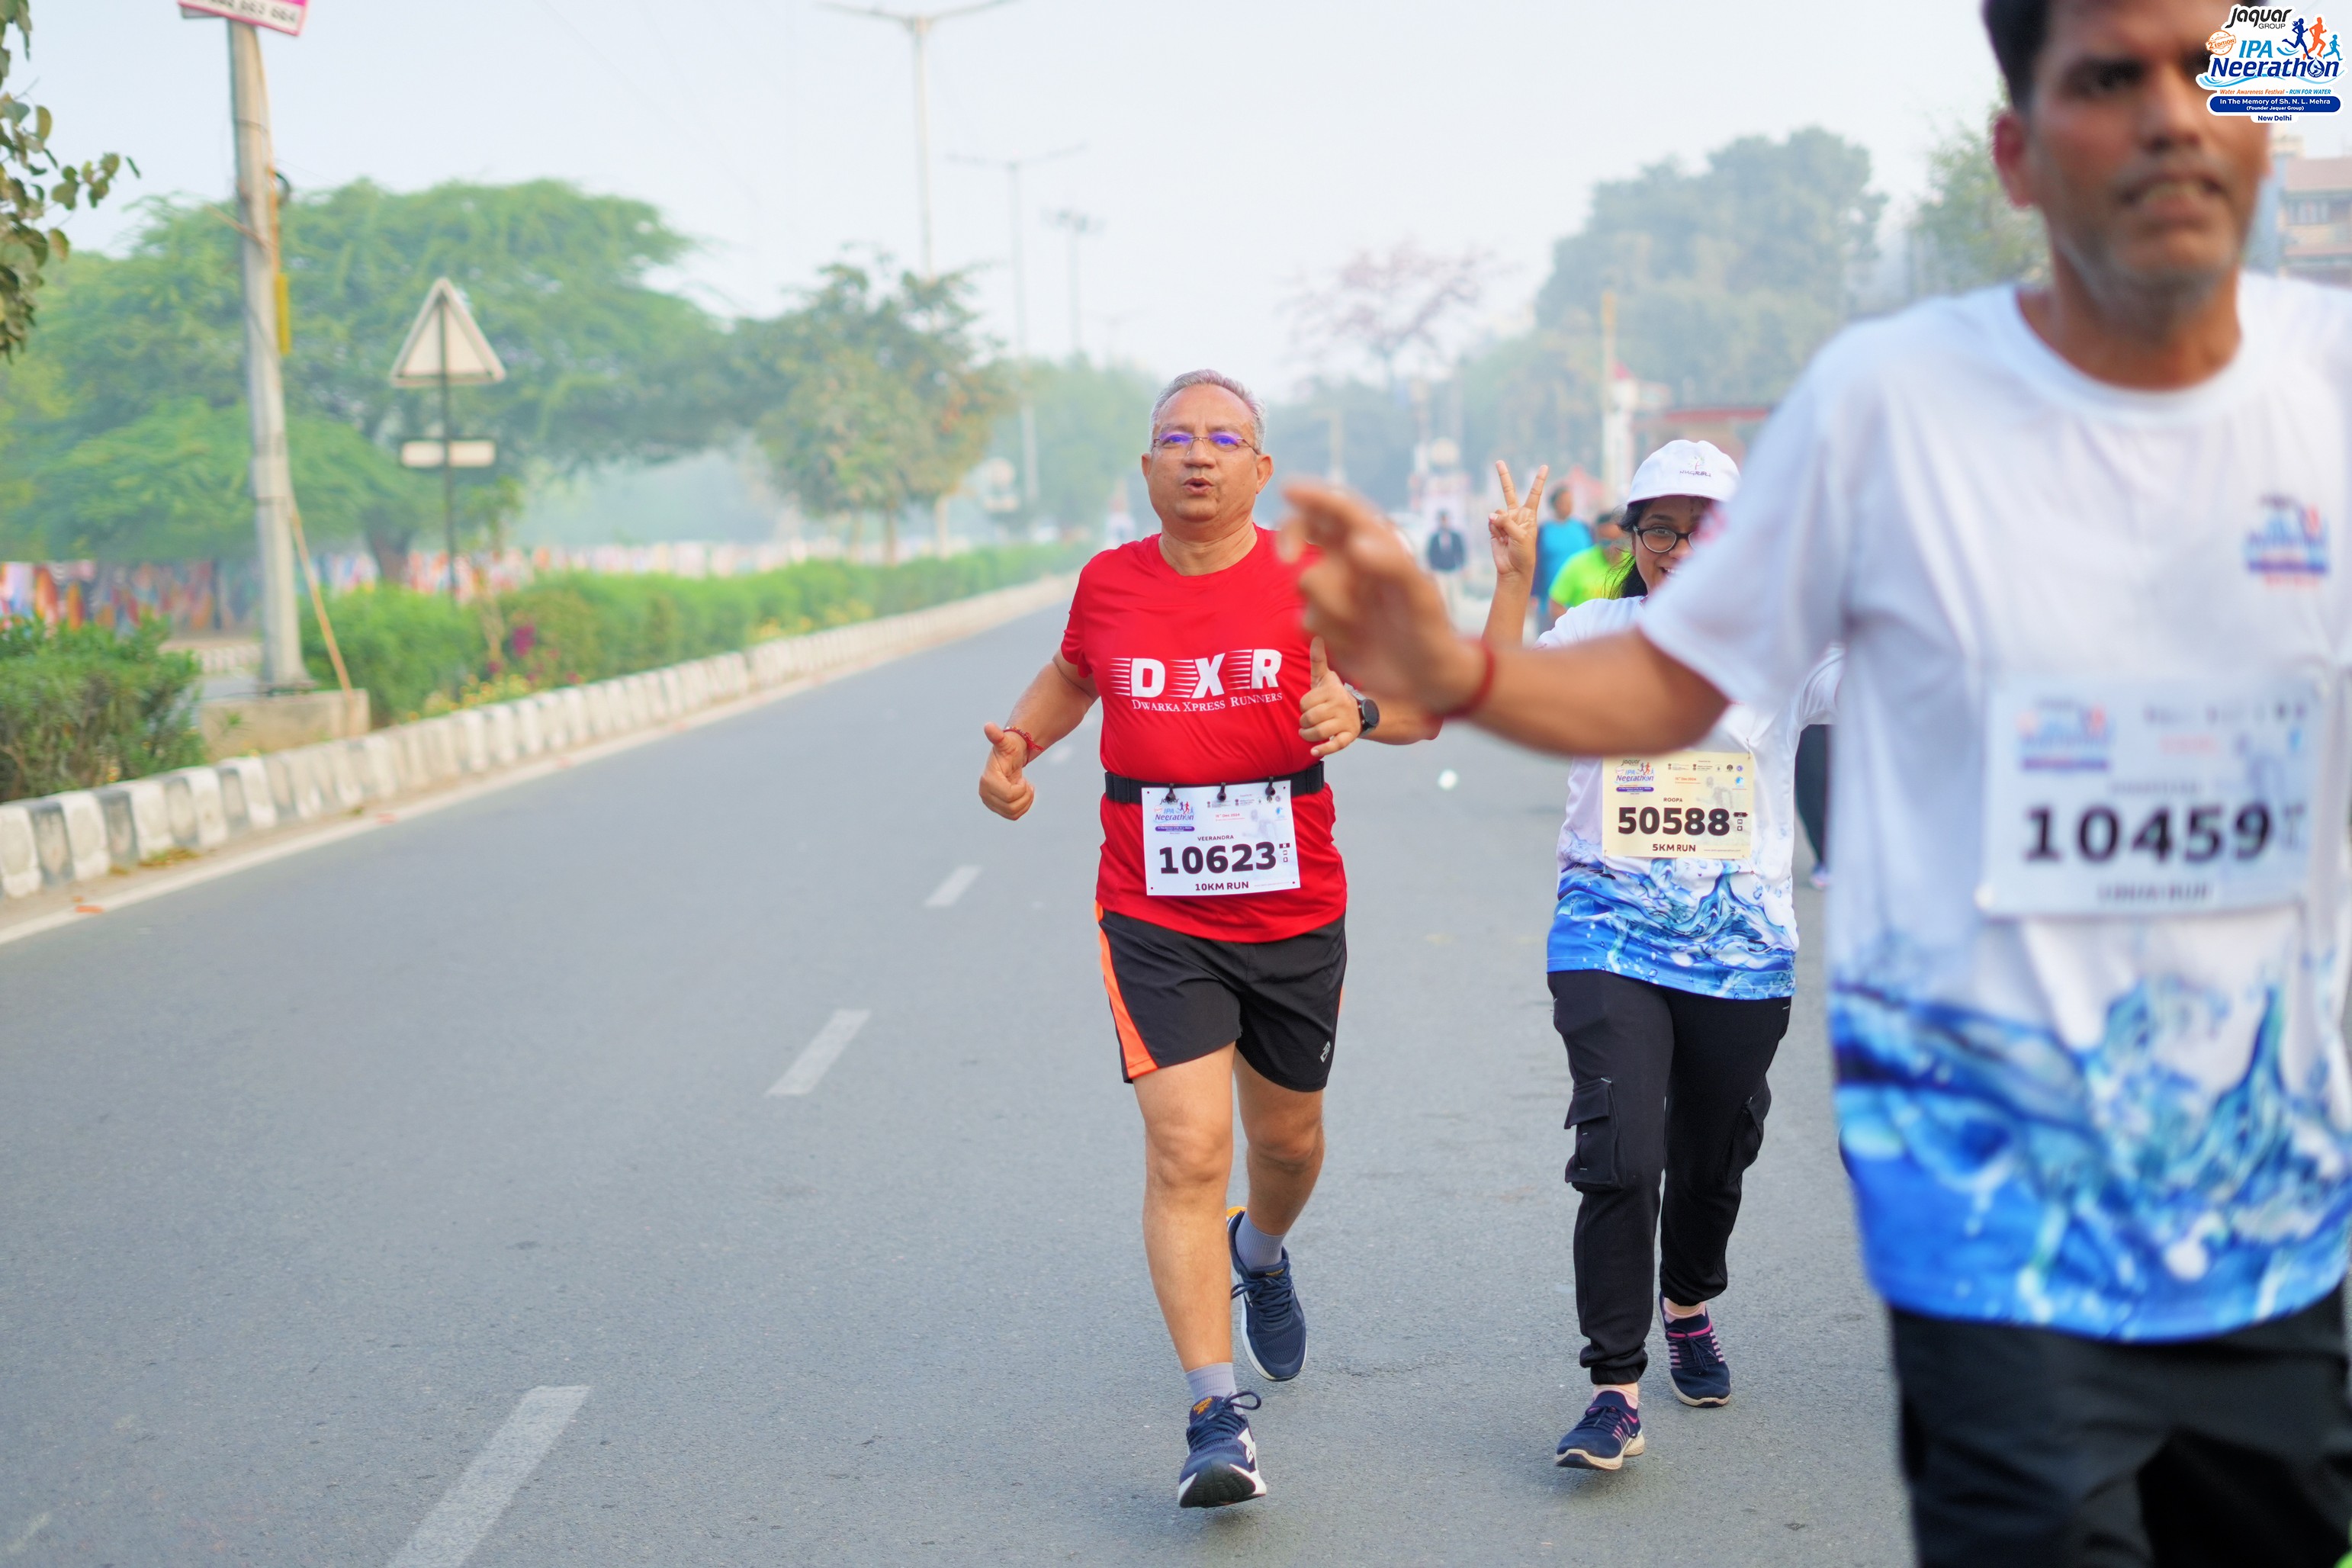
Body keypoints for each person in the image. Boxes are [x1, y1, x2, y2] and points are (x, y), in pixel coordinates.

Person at [1283, 1, 2352, 1560]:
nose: (2172, 113)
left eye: (2209, 69)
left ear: (2263, 115)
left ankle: (1691, 1289)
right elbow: (1668, 679)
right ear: (2016, 152)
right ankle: (1616, 1373)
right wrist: (1457, 671)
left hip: (2265, 1181)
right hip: (1990, 1183)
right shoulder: (1888, 404)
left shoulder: (2329, 389)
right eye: (2110, 78)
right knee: (1641, 1165)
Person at [977, 369, 1431, 1512]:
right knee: (1186, 1150)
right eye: (1175, 437)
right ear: (1146, 466)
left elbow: (1427, 704)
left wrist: (1359, 713)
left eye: (1224, 439)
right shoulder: (1109, 582)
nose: (1197, 454)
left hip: (1292, 909)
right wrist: (1019, 746)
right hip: (1153, 910)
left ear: (1260, 470)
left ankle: (1260, 1253)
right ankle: (1214, 1415)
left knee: (1289, 1144)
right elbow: (1074, 674)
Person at [1483, 442, 1840, 1470]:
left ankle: (1687, 1300)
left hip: (1740, 951)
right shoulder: (1595, 633)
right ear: (1631, 538)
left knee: (1715, 1151)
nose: (1682, 551)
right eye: (1660, 530)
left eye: (1707, 529)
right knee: (1622, 1152)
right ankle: (1615, 1388)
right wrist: (1511, 579)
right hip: (1609, 931)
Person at [1533, 480, 1593, 637]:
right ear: (1554, 504)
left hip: (1582, 599)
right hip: (1550, 598)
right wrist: (1533, 595)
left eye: (1570, 502)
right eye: (1564, 502)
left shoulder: (1583, 528)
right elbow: (1535, 564)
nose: (1568, 506)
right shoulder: (1544, 531)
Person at [1547, 507, 1629, 617]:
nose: (1613, 548)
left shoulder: (1634, 563)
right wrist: (1573, 626)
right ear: (1596, 539)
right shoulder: (1578, 564)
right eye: (1606, 543)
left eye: (1619, 542)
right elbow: (1555, 604)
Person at [1425, 509, 1468, 624]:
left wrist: (1463, 567)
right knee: (1443, 598)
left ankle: (1453, 622)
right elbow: (1430, 554)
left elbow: (1461, 552)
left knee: (1454, 598)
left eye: (1446, 520)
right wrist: (1431, 569)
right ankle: (1445, 622)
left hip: (1453, 570)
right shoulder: (1434, 537)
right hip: (1440, 571)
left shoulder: (1456, 536)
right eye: (1442, 520)